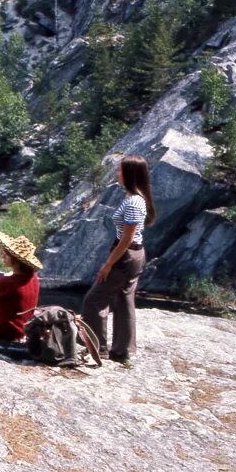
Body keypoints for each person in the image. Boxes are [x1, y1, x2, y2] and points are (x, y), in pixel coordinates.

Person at [81, 153, 155, 365]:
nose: (117, 173)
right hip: (136, 254)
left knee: (94, 300)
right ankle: (122, 350)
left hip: (126, 254)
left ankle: (98, 348)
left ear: (130, 174)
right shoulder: (136, 197)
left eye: (120, 170)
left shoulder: (133, 202)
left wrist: (108, 264)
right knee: (124, 300)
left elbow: (126, 238)